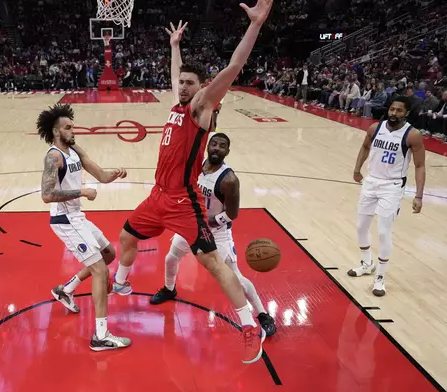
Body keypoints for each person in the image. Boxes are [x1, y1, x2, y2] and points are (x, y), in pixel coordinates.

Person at [112, 0, 273, 365]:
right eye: (181, 83)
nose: (182, 87)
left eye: (189, 83)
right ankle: (121, 280)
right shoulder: (176, 103)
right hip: (157, 197)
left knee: (214, 265)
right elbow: (175, 76)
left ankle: (249, 326)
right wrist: (174, 48)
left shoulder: (201, 109)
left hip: (185, 202)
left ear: (203, 90)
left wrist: (255, 25)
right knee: (125, 236)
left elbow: (234, 67)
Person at [149, 132, 277, 337]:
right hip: (191, 226)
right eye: (214, 143)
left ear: (228, 151)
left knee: (235, 278)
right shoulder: (197, 166)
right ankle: (169, 289)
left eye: (222, 145)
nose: (217, 147)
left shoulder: (229, 179)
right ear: (208, 146)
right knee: (171, 258)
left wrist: (207, 221)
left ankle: (262, 315)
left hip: (217, 234)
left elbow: (232, 214)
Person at [37, 103, 131, 351]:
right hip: (64, 220)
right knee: (100, 271)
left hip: (78, 217)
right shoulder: (53, 156)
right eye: (68, 127)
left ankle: (66, 290)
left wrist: (114, 174)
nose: (72, 130)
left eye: (72, 125)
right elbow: (46, 195)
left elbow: (100, 175)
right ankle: (101, 336)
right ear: (57, 132)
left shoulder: (74, 150)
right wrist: (82, 191)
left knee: (108, 254)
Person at [349, 96, 426, 296]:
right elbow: (365, 147)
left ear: (406, 113)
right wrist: (357, 169)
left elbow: (419, 165)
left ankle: (380, 276)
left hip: (392, 186)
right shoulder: (375, 128)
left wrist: (419, 196)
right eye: (392, 109)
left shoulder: (413, 135)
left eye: (399, 110)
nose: (394, 113)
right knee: (361, 227)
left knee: (383, 232)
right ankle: (367, 264)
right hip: (371, 182)